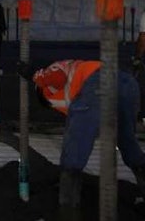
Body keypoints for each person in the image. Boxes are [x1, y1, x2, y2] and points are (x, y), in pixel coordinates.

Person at [17, 59, 145, 208]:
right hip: (127, 84)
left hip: (98, 82)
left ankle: (67, 208)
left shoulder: (49, 82)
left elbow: (56, 78)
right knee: (127, 143)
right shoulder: (74, 87)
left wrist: (33, 75)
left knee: (74, 149)